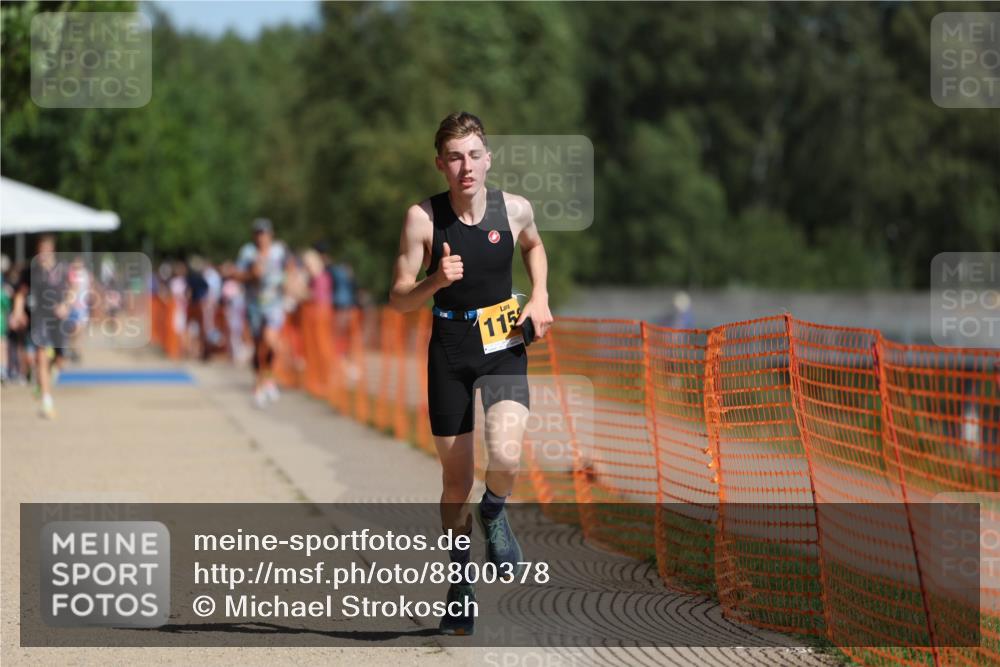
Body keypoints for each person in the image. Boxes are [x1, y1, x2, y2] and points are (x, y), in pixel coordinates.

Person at [389, 112, 553, 635]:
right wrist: (434, 281)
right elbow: (398, 299)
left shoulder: (515, 209)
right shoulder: (422, 219)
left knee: (505, 453)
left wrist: (540, 296)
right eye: (455, 157)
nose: (466, 167)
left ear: (488, 159)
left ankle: (495, 511)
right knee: (456, 480)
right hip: (451, 349)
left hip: (503, 343)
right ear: (441, 164)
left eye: (474, 155)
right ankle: (460, 584)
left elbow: (534, 246)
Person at [9, 235, 74, 419]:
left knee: (60, 359)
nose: (44, 253)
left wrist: (66, 305)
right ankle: (47, 400)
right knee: (41, 354)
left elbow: (73, 290)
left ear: (52, 250)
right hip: (39, 317)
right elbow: (21, 293)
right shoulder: (31, 270)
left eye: (47, 249)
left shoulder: (63, 268)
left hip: (58, 318)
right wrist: (17, 312)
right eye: (41, 249)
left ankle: (47, 377)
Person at [233, 218, 287, 408]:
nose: (261, 237)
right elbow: (237, 274)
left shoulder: (279, 251)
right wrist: (251, 275)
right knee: (258, 345)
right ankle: (259, 382)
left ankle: (268, 378)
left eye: (264, 233)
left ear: (270, 235)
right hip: (254, 304)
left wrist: (291, 284)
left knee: (270, 340)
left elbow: (290, 269)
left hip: (274, 304)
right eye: (258, 233)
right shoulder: (247, 252)